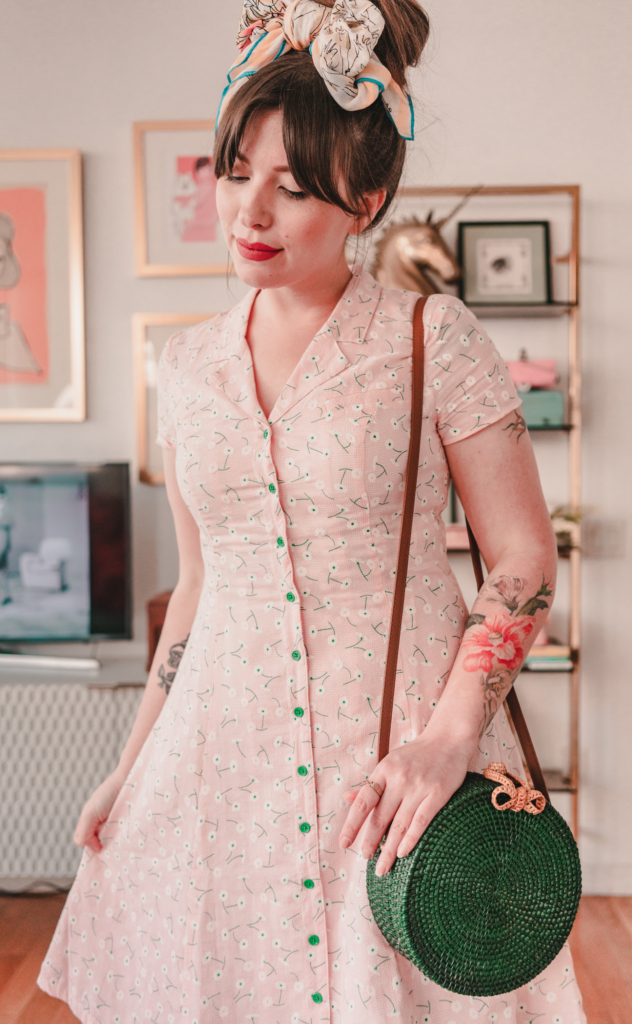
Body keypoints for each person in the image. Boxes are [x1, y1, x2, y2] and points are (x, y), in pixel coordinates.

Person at [39, 1, 587, 1021]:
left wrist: (448, 738)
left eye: (290, 188)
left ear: (365, 197)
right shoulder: (186, 366)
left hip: (393, 756)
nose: (248, 213)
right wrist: (130, 763)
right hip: (216, 762)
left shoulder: (433, 336)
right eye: (234, 174)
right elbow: (198, 587)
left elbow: (520, 560)